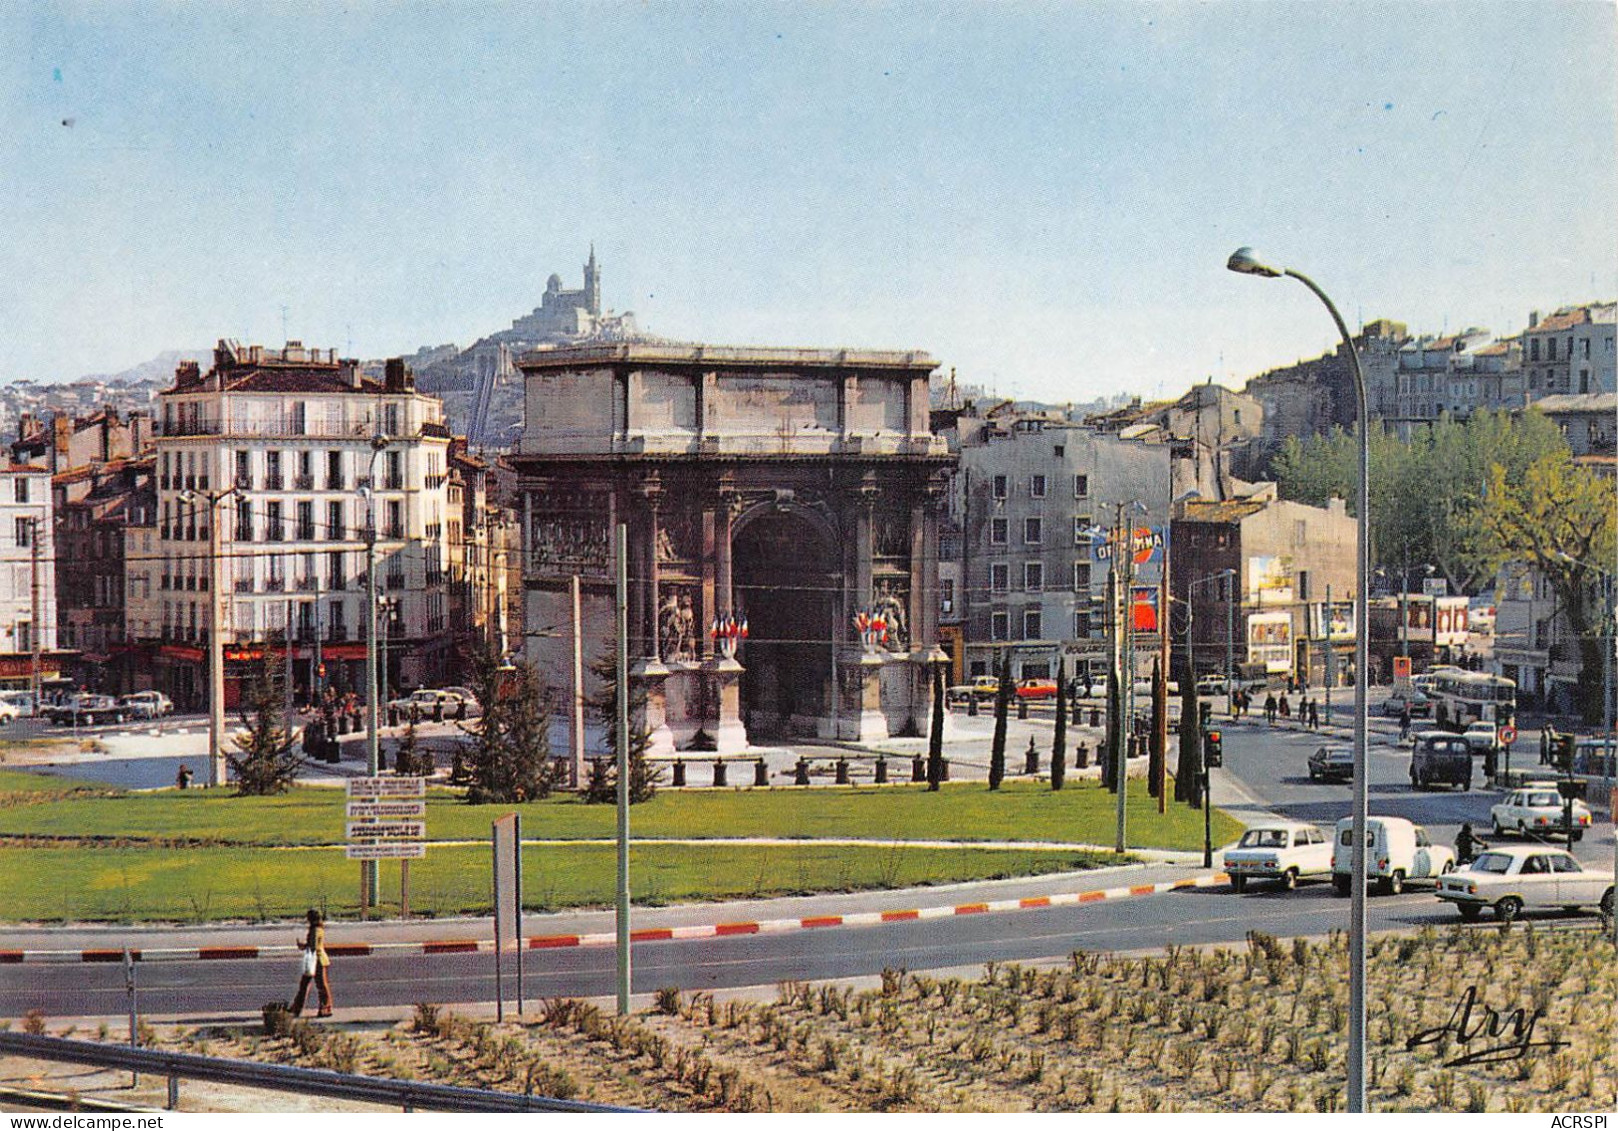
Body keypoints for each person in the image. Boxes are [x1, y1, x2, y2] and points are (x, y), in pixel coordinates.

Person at [290, 908, 333, 1017]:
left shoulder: (315, 930)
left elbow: (313, 946)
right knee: (315, 985)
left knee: (315, 985)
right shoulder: (319, 928)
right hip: (318, 959)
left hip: (316, 960)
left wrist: (305, 946)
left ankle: (324, 1008)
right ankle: (298, 1007)